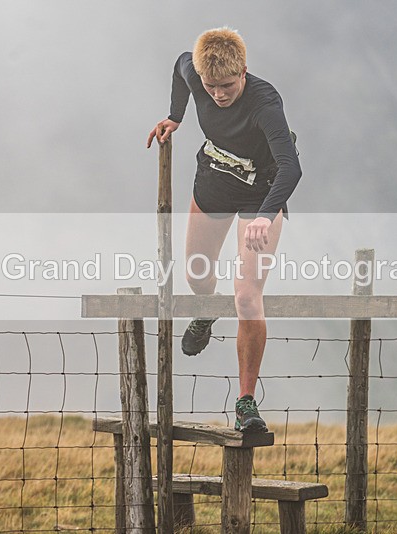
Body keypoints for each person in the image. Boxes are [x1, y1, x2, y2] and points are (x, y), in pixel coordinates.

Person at [147, 27, 301, 433]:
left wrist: (266, 217)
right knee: (197, 277)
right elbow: (181, 66)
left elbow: (291, 167)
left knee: (247, 297)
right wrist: (175, 117)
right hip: (215, 178)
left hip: (262, 191)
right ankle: (207, 310)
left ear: (244, 72)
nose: (218, 94)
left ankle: (245, 403)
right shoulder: (194, 73)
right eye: (212, 87)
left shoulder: (265, 102)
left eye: (228, 86)